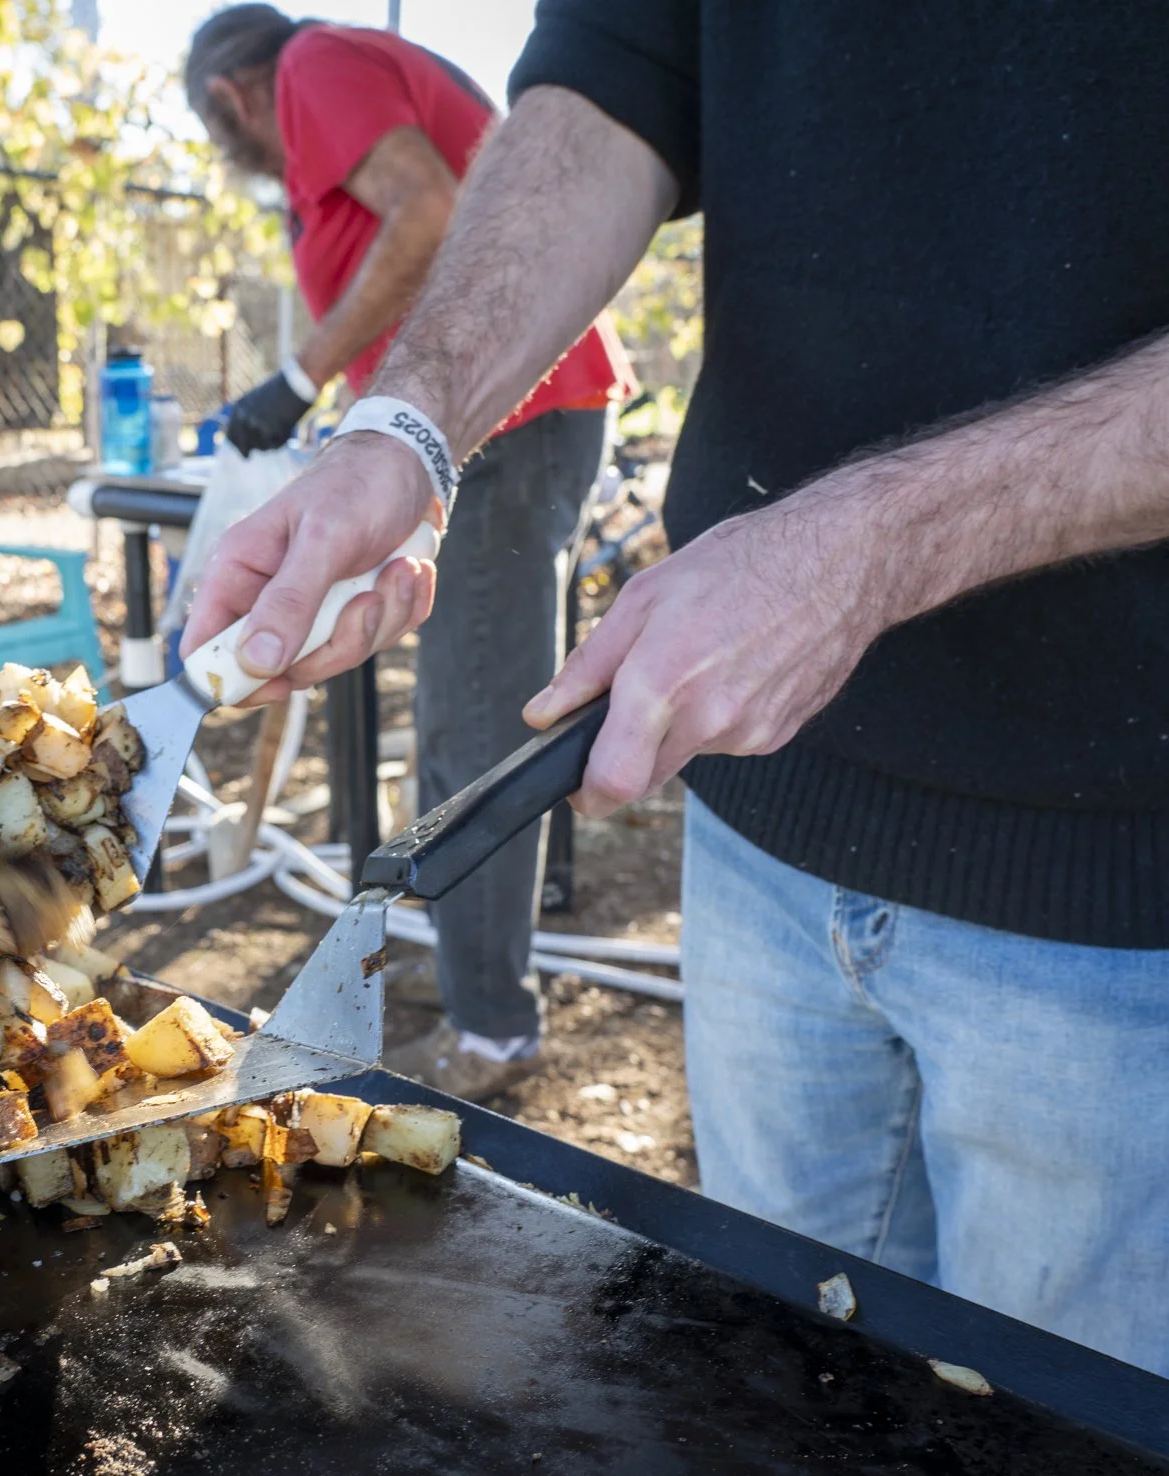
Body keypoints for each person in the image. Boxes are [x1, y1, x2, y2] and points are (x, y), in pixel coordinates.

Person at [181, 4, 1169, 1377]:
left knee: (1066, 1446)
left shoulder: (314, 67)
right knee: (778, 1386)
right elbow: (607, 85)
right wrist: (400, 425)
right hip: (762, 826)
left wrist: (869, 544)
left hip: (1118, 887)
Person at [185, 4, 633, 1096]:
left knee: (478, 725)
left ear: (226, 95)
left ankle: (491, 1032)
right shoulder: (334, 76)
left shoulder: (312, 62)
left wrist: (300, 378)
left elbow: (428, 212)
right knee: (453, 717)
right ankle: (475, 992)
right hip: (480, 427)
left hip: (504, 421)